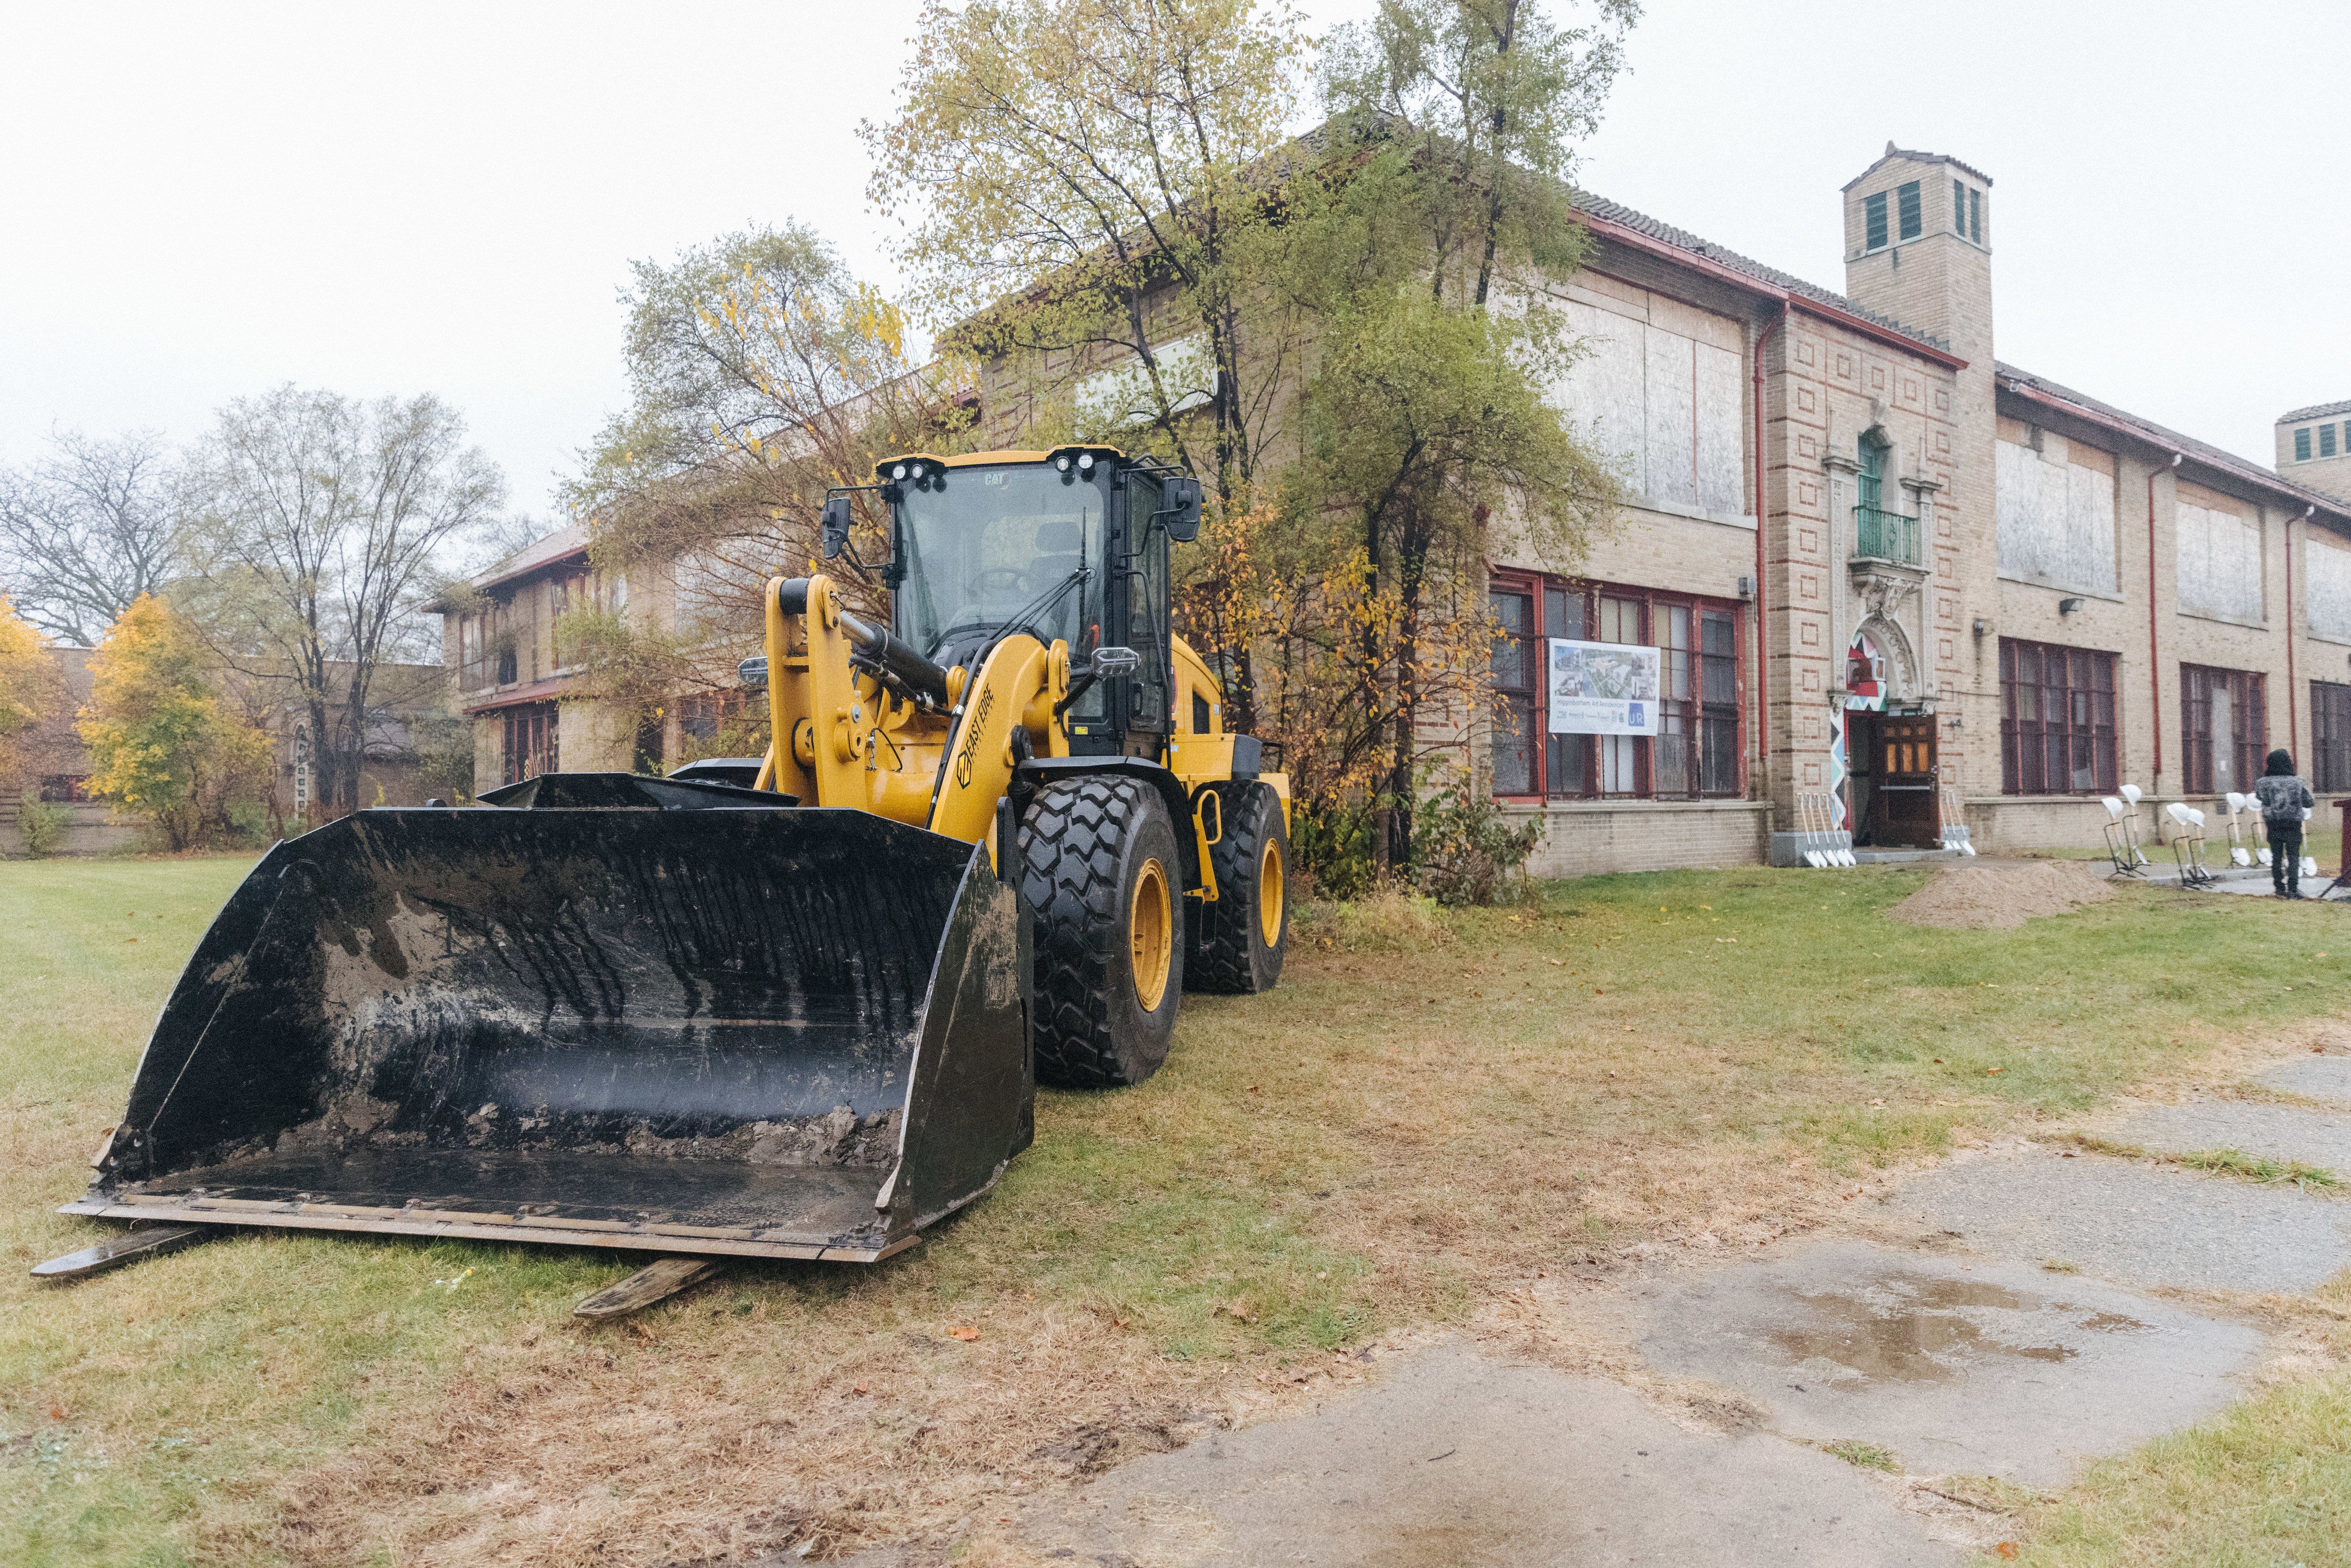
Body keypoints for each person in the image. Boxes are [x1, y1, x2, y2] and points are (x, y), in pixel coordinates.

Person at [2253, 748, 2315, 899]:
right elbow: (2309, 802)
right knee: (2294, 856)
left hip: (2273, 824)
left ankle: (2279, 888)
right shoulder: (2298, 782)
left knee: (2276, 856)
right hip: (2293, 824)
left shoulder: (2262, 783)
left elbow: (2260, 798)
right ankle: (2293, 889)